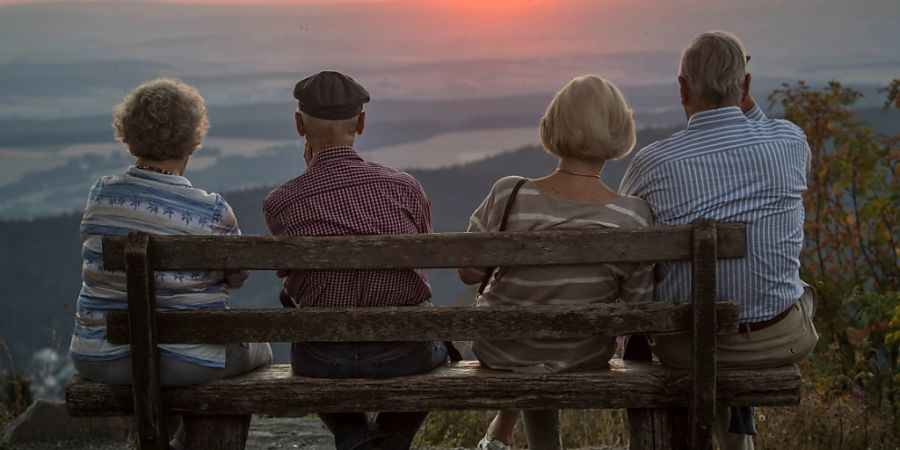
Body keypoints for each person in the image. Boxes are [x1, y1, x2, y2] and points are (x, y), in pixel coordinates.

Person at [619, 31, 819, 450]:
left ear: (682, 89)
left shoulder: (653, 163)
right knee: (790, 291)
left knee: (696, 306)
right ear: (746, 86)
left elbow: (625, 243)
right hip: (779, 338)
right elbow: (765, 129)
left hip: (687, 347)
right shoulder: (789, 141)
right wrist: (746, 99)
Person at [69, 78, 273, 448]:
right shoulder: (212, 210)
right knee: (258, 351)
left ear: (129, 134)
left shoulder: (101, 194)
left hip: (100, 355)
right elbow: (237, 276)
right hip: (189, 361)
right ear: (192, 139)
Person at [459, 75, 654, 450]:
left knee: (535, 335)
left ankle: (502, 437)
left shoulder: (510, 193)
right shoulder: (632, 216)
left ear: (552, 126)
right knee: (553, 335)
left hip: (503, 350)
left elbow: (468, 272)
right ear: (619, 132)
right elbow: (638, 307)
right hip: (582, 353)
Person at [262, 71, 448, 450]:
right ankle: (392, 438)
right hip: (403, 356)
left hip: (322, 360)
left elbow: (290, 275)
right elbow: (421, 255)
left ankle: (354, 436)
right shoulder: (405, 188)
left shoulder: (281, 203)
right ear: (361, 123)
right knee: (440, 345)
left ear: (300, 124)